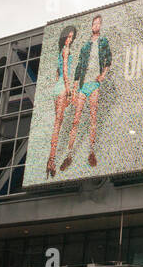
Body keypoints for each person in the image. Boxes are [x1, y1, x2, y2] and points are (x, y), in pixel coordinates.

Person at [61, 14, 113, 171]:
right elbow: (78, 67)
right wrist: (76, 86)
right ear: (91, 26)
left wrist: (103, 74)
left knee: (93, 117)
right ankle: (69, 155)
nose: (96, 25)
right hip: (84, 85)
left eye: (98, 23)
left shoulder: (103, 42)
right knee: (76, 120)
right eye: (94, 23)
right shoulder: (85, 46)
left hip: (95, 85)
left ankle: (91, 152)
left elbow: (108, 60)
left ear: (101, 26)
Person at [45, 25, 79, 178]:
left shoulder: (61, 51)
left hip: (56, 89)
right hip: (62, 89)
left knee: (57, 123)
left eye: (71, 37)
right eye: (68, 37)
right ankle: (51, 161)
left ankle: (51, 160)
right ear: (64, 37)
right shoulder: (66, 51)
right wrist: (69, 89)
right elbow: (65, 71)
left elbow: (58, 73)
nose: (69, 40)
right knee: (58, 124)